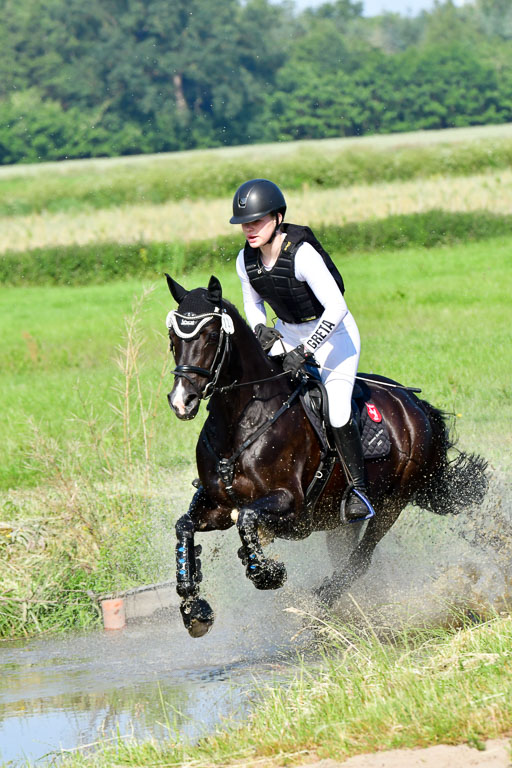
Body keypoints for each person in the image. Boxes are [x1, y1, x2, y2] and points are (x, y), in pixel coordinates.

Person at [230, 178, 372, 521]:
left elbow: (337, 309)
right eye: (245, 223)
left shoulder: (302, 254)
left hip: (334, 334)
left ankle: (359, 491)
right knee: (259, 393)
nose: (250, 229)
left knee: (336, 411)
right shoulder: (245, 260)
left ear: (278, 218)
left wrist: (306, 350)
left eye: (257, 221)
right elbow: (253, 305)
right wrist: (261, 330)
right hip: (288, 333)